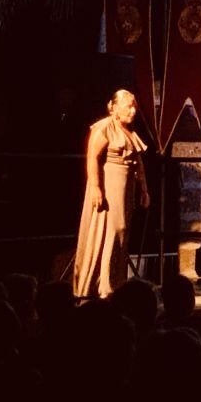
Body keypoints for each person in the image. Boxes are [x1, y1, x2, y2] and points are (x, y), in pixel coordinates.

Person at [73, 90, 149, 299]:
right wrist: (96, 187)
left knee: (123, 232)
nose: (133, 111)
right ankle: (103, 285)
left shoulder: (129, 132)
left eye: (134, 106)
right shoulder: (104, 128)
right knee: (112, 230)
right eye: (128, 106)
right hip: (110, 185)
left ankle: (116, 281)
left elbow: (138, 162)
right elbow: (92, 157)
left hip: (126, 188)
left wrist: (144, 189)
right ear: (114, 108)